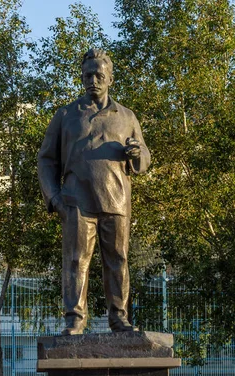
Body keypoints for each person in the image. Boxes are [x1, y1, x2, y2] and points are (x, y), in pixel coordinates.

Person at [38, 48, 151, 335]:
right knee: (76, 261)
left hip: (116, 200)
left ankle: (119, 318)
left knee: (118, 260)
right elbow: (47, 159)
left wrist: (137, 153)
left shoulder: (126, 116)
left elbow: (144, 160)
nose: (93, 81)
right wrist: (53, 198)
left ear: (110, 78)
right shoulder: (66, 115)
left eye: (99, 75)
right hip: (76, 201)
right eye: (88, 75)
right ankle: (75, 319)